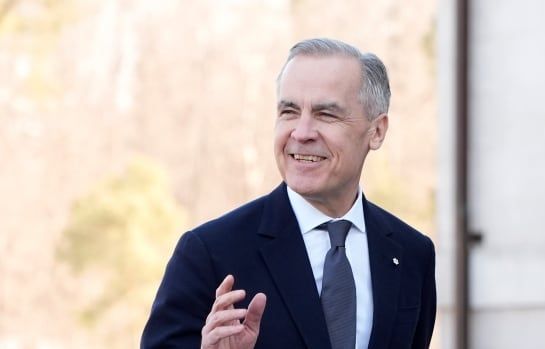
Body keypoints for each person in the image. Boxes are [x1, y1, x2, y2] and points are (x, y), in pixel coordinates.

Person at [141, 38, 436, 349]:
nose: (302, 132)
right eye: (289, 111)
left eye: (326, 114)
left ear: (376, 131)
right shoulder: (209, 253)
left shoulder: (412, 254)